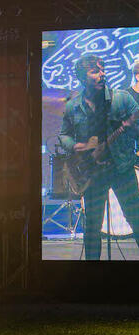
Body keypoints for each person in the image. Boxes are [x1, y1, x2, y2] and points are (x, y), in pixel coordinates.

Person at [59, 54, 139, 260]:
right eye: (95, 71)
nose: (102, 74)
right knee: (92, 228)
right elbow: (64, 135)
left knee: (136, 219)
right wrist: (77, 145)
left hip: (122, 169)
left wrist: (131, 127)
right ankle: (92, 275)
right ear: (81, 76)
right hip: (93, 173)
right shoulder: (73, 106)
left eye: (102, 69)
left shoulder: (121, 98)